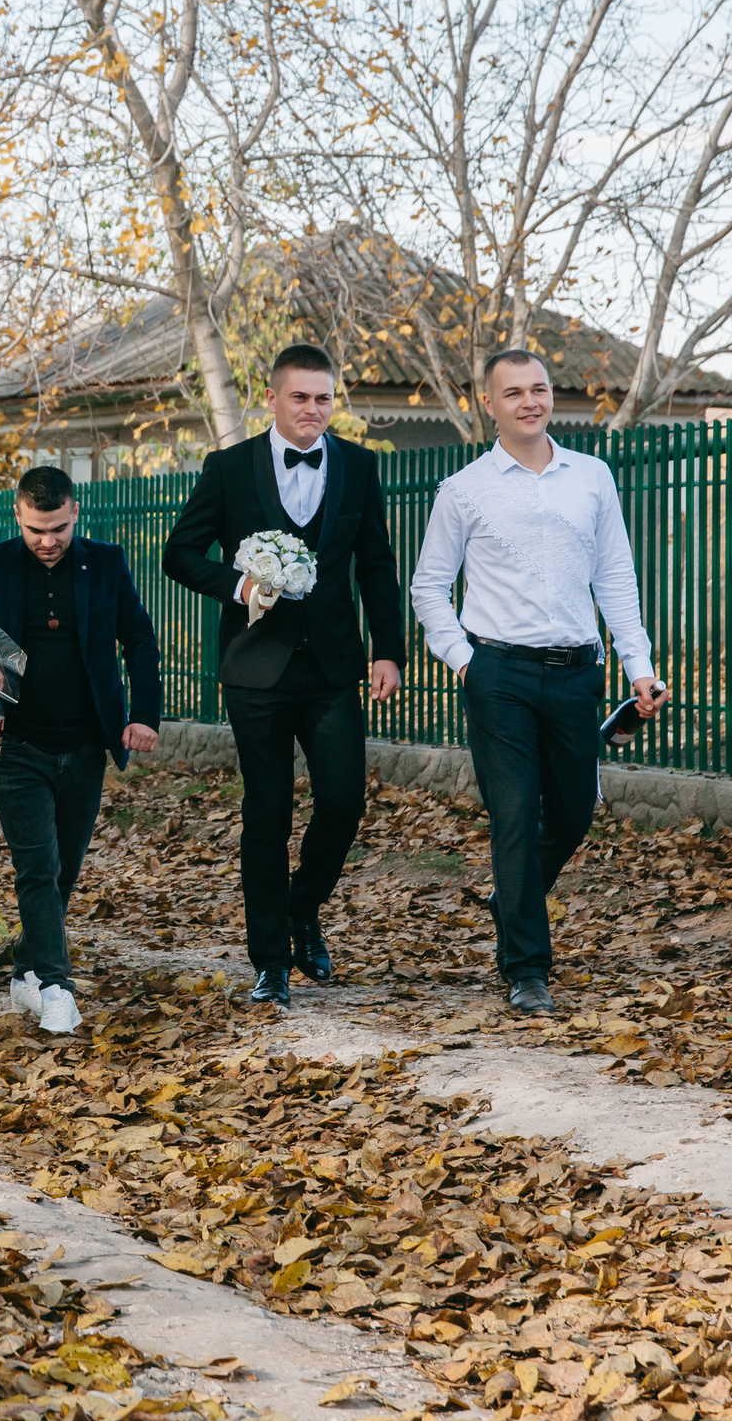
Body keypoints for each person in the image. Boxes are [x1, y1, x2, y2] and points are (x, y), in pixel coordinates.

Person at [411, 349, 669, 1015]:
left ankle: (512, 894)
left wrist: (637, 665)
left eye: (540, 389)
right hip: (498, 673)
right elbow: (429, 585)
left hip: (576, 670)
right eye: (514, 392)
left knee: (576, 809)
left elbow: (615, 577)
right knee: (517, 816)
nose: (530, 401)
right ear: (489, 404)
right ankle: (527, 968)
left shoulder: (593, 477)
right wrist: (462, 657)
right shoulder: (464, 489)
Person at [162, 344, 406, 1009]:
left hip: (331, 667)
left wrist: (388, 649)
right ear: (271, 398)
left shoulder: (358, 467)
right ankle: (270, 959)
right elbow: (179, 553)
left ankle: (302, 906)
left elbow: (377, 564)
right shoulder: (229, 468)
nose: (313, 410)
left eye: (324, 398)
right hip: (255, 669)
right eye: (300, 397)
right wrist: (237, 584)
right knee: (267, 812)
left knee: (344, 801)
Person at [0, 467, 163, 1034]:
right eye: (35, 529)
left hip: (84, 743)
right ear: (17, 516)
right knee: (38, 866)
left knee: (64, 871)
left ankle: (26, 969)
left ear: (75, 512)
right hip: (12, 741)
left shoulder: (105, 563)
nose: (47, 541)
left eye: (57, 528)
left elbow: (141, 642)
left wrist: (144, 716)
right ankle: (55, 986)